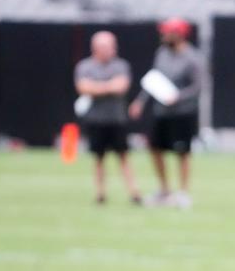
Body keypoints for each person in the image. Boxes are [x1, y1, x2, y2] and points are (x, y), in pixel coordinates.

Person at [128, 17, 204, 209]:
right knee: (155, 148)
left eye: (168, 32)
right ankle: (164, 190)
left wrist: (178, 97)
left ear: (179, 34)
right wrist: (139, 101)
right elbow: (154, 80)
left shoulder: (193, 57)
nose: (164, 35)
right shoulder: (161, 53)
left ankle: (183, 192)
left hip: (183, 113)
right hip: (161, 112)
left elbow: (198, 87)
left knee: (182, 152)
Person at [73, 31, 141, 205]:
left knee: (124, 156)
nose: (111, 50)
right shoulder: (85, 66)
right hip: (96, 120)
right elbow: (83, 87)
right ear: (96, 48)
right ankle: (100, 193)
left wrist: (97, 87)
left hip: (117, 119)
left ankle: (134, 192)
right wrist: (109, 86)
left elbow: (121, 86)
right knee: (98, 158)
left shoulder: (120, 65)